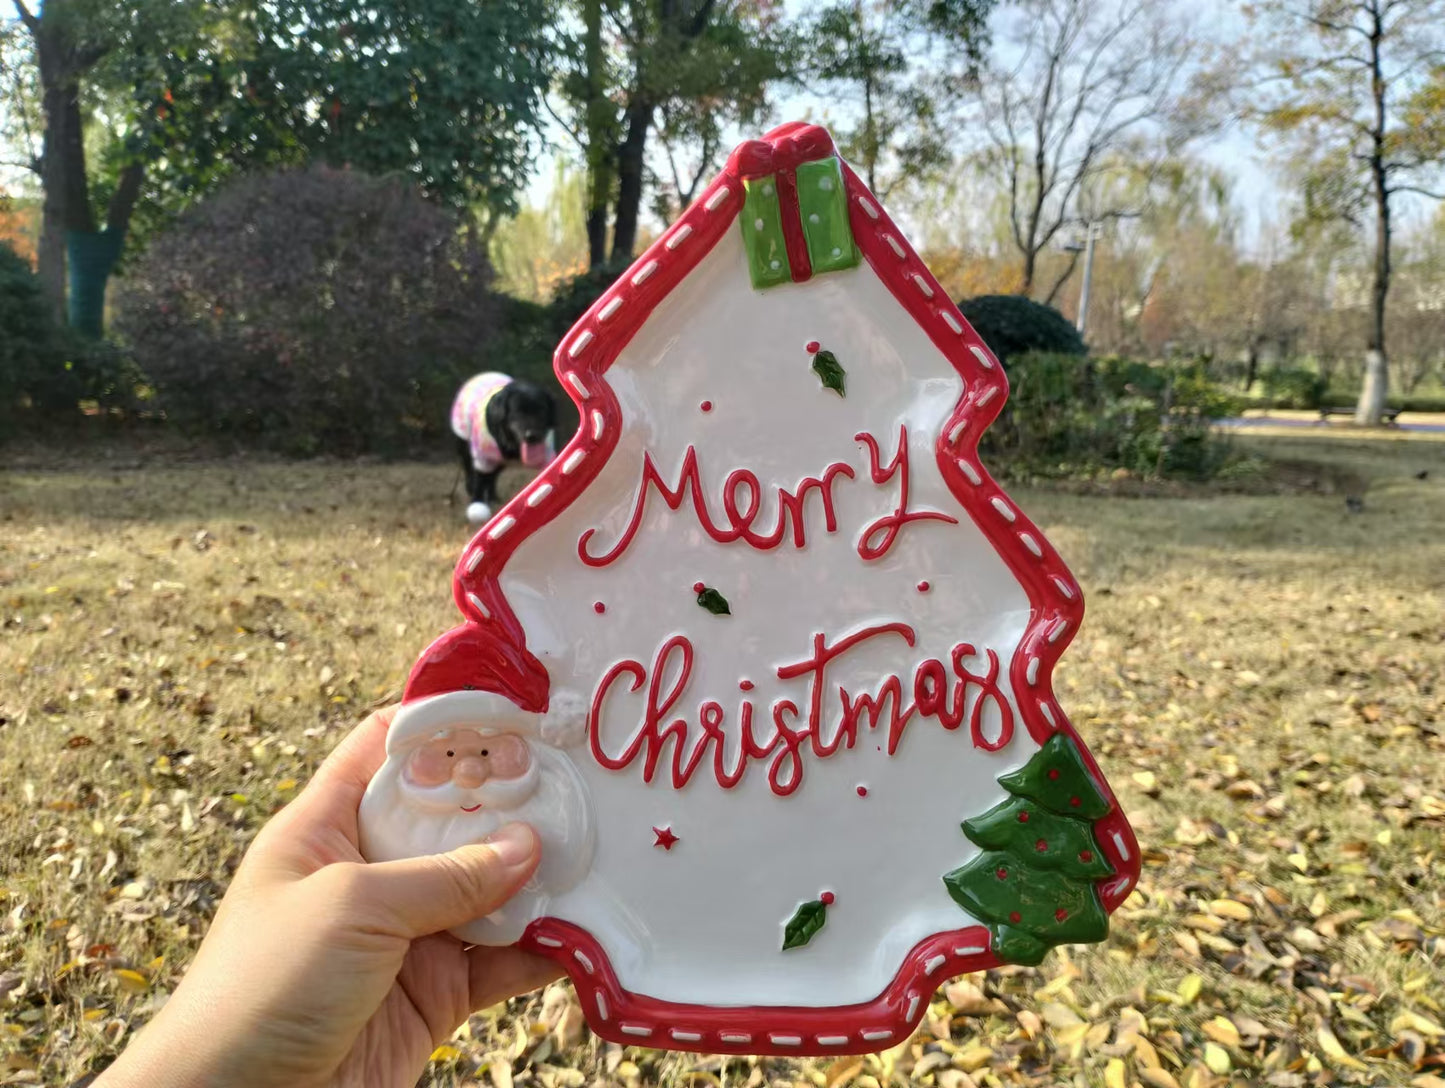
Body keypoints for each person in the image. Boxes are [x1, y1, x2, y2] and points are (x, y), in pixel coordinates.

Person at [95, 706, 563, 1088]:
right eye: (447, 755)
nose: (468, 768)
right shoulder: (390, 817)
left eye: (484, 752)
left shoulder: (550, 802)